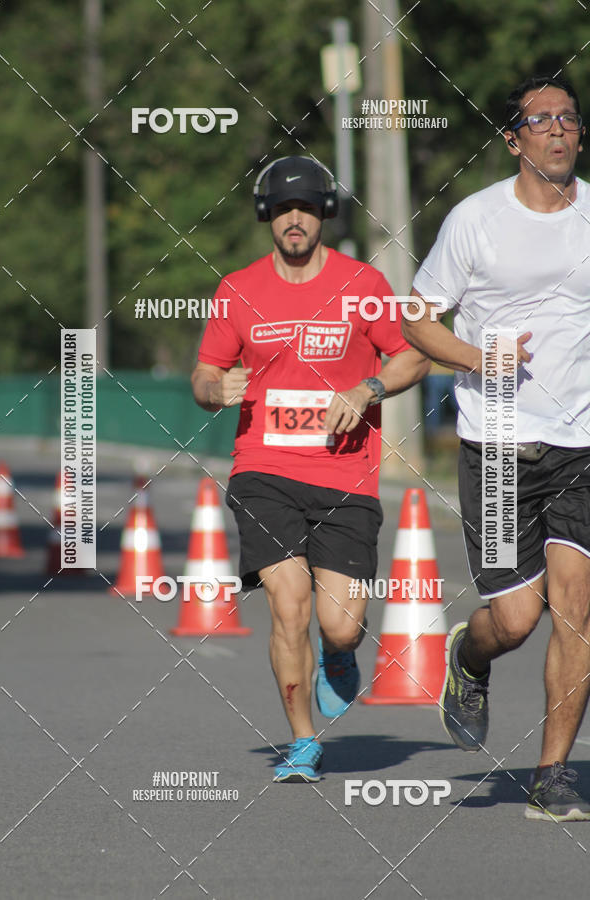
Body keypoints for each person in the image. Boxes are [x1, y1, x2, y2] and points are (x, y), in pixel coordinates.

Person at [191, 155, 429, 782]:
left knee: (340, 625)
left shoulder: (364, 285)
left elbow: (412, 359)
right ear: (266, 215)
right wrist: (215, 390)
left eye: (306, 208)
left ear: (324, 213)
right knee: (288, 604)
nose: (293, 219)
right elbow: (205, 373)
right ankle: (301, 741)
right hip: (262, 469)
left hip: (345, 475)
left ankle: (340, 654)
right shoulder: (237, 289)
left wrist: (367, 389)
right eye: (281, 209)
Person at [404, 74, 590, 821]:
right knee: (515, 620)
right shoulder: (475, 221)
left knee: (576, 612)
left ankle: (552, 776)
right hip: (501, 441)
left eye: (569, 118)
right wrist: (478, 359)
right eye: (540, 120)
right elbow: (416, 320)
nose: (558, 130)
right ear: (512, 138)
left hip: (582, 442)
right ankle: (469, 657)